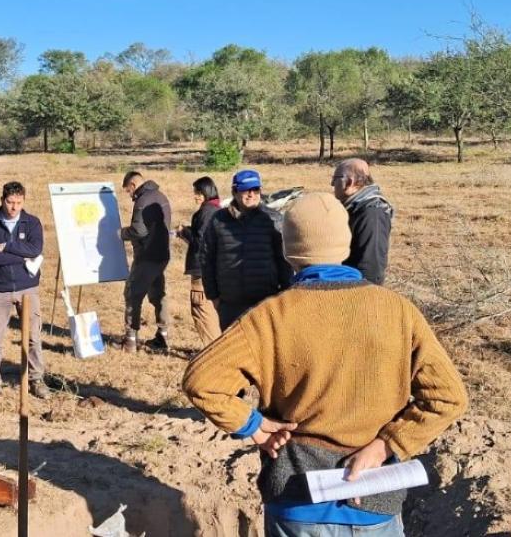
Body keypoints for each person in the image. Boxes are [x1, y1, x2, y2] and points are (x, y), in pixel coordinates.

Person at [183, 192, 468, 537]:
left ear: (288, 251)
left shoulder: (271, 315)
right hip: (375, 503)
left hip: (297, 504)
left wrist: (254, 427)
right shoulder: (398, 310)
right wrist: (385, 446)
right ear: (345, 245)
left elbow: (202, 380)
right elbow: (448, 397)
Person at [0, 181, 48, 402]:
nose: (14, 207)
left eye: (18, 202)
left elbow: (36, 249)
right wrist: (22, 254)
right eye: (10, 202)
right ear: (2, 200)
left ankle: (36, 379)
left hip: (28, 288)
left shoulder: (33, 223)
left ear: (24, 201)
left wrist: (7, 246)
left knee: (33, 337)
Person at [198, 169, 292, 330]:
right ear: (234, 192)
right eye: (245, 190)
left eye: (255, 189)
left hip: (264, 300)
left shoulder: (272, 219)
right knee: (234, 352)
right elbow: (207, 258)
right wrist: (213, 296)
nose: (251, 194)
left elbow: (284, 260)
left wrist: (285, 294)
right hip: (230, 303)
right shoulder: (218, 220)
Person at [120, 171, 173, 353]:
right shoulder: (161, 196)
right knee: (159, 295)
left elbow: (138, 231)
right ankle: (163, 334)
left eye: (128, 191)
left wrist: (121, 234)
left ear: (133, 185)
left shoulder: (142, 201)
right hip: (162, 255)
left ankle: (130, 340)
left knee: (133, 295)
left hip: (146, 257)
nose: (129, 195)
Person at [175, 176, 222, 346]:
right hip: (213, 268)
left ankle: (213, 350)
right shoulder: (216, 210)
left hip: (202, 270)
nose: (195, 196)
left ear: (205, 193)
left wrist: (184, 231)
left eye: (198, 193)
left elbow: (201, 242)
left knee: (202, 310)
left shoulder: (206, 211)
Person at [332, 159, 394, 284]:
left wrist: (361, 298)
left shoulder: (372, 213)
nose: (332, 183)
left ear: (349, 182)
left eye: (335, 179)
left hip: (359, 292)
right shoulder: (356, 207)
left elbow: (371, 268)